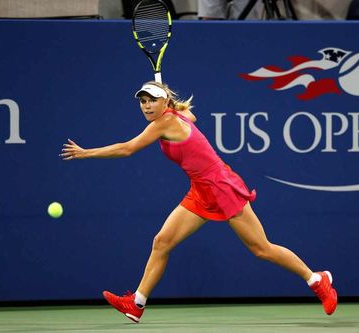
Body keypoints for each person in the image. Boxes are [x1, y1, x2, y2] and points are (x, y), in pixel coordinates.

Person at [61, 81, 338, 323]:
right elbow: (189, 113)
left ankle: (317, 280)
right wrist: (172, 105)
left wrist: (86, 153)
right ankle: (137, 303)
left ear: (164, 102)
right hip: (200, 190)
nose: (146, 106)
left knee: (261, 249)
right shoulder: (175, 115)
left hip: (222, 186)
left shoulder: (165, 122)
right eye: (143, 102)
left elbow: (127, 149)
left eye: (151, 101)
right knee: (162, 242)